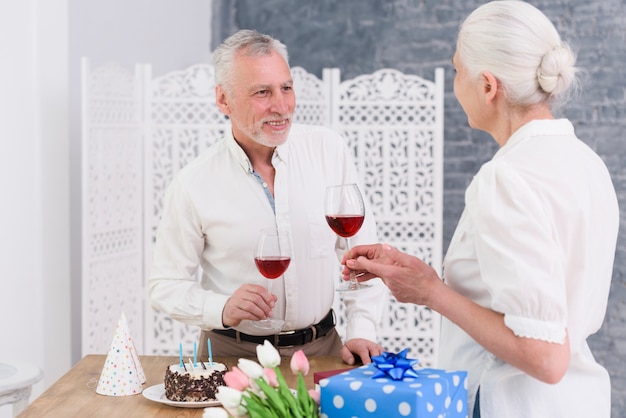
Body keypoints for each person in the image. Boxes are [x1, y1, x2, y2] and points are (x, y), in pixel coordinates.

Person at [342, 1, 619, 417]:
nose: (454, 85)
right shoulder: (587, 162)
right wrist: (423, 279)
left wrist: (431, 293)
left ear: (488, 86)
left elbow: (544, 356)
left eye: (456, 72)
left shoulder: (506, 178)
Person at [148, 29, 386, 365]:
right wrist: (221, 307)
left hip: (323, 351)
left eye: (286, 88)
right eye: (262, 92)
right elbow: (164, 285)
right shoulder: (193, 183)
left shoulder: (327, 149)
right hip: (232, 357)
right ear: (223, 100)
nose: (281, 106)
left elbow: (364, 255)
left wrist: (363, 329)